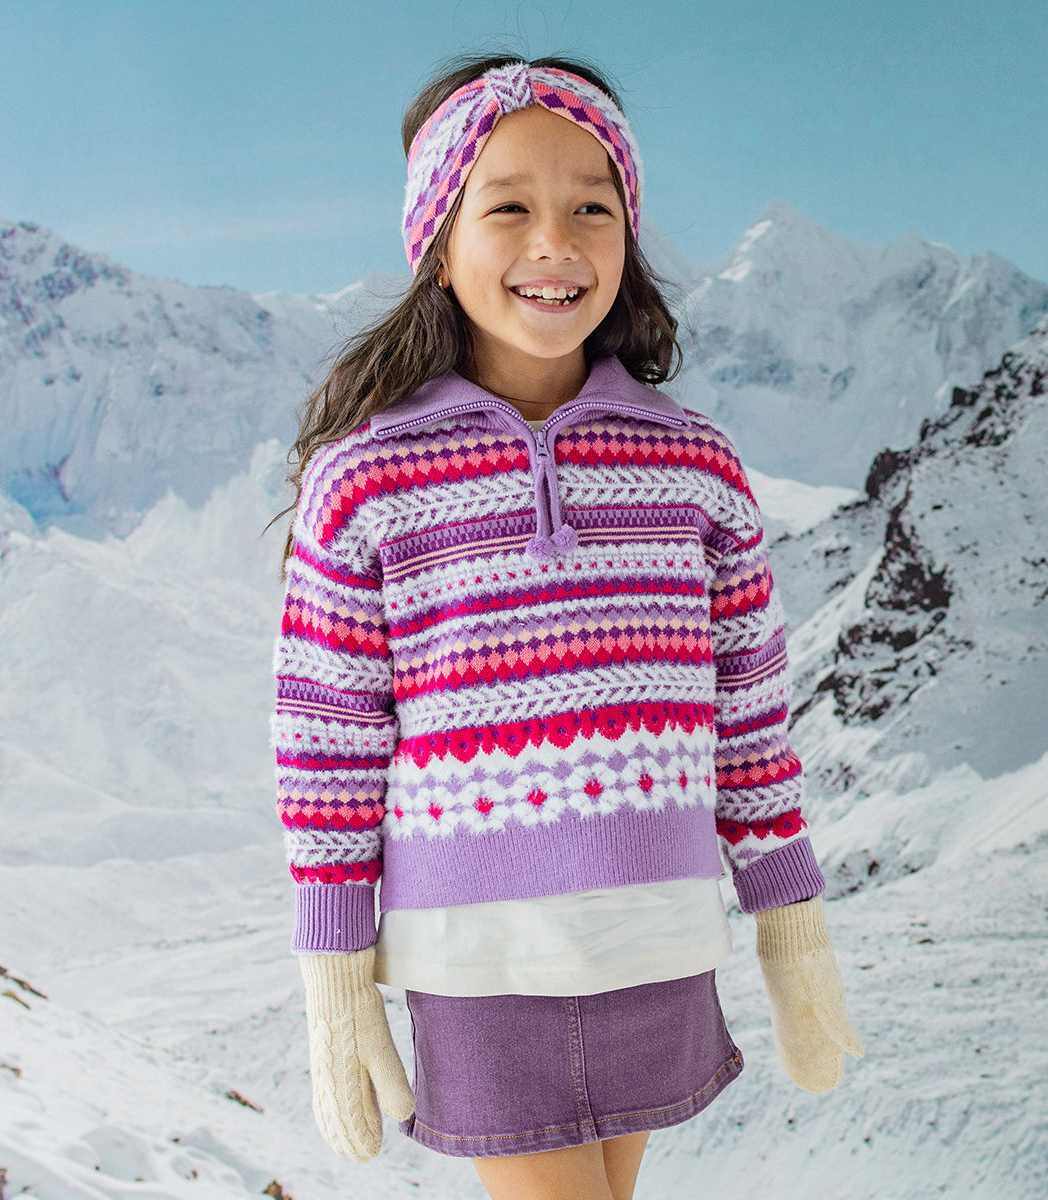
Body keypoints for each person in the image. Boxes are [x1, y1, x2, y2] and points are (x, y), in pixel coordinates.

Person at [273, 53, 862, 1200]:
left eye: (592, 206)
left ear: (627, 240)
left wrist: (791, 923)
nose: (557, 243)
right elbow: (327, 748)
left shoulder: (691, 463)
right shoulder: (367, 481)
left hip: (658, 939)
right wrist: (335, 975)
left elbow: (747, 721)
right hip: (483, 963)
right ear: (442, 242)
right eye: (509, 208)